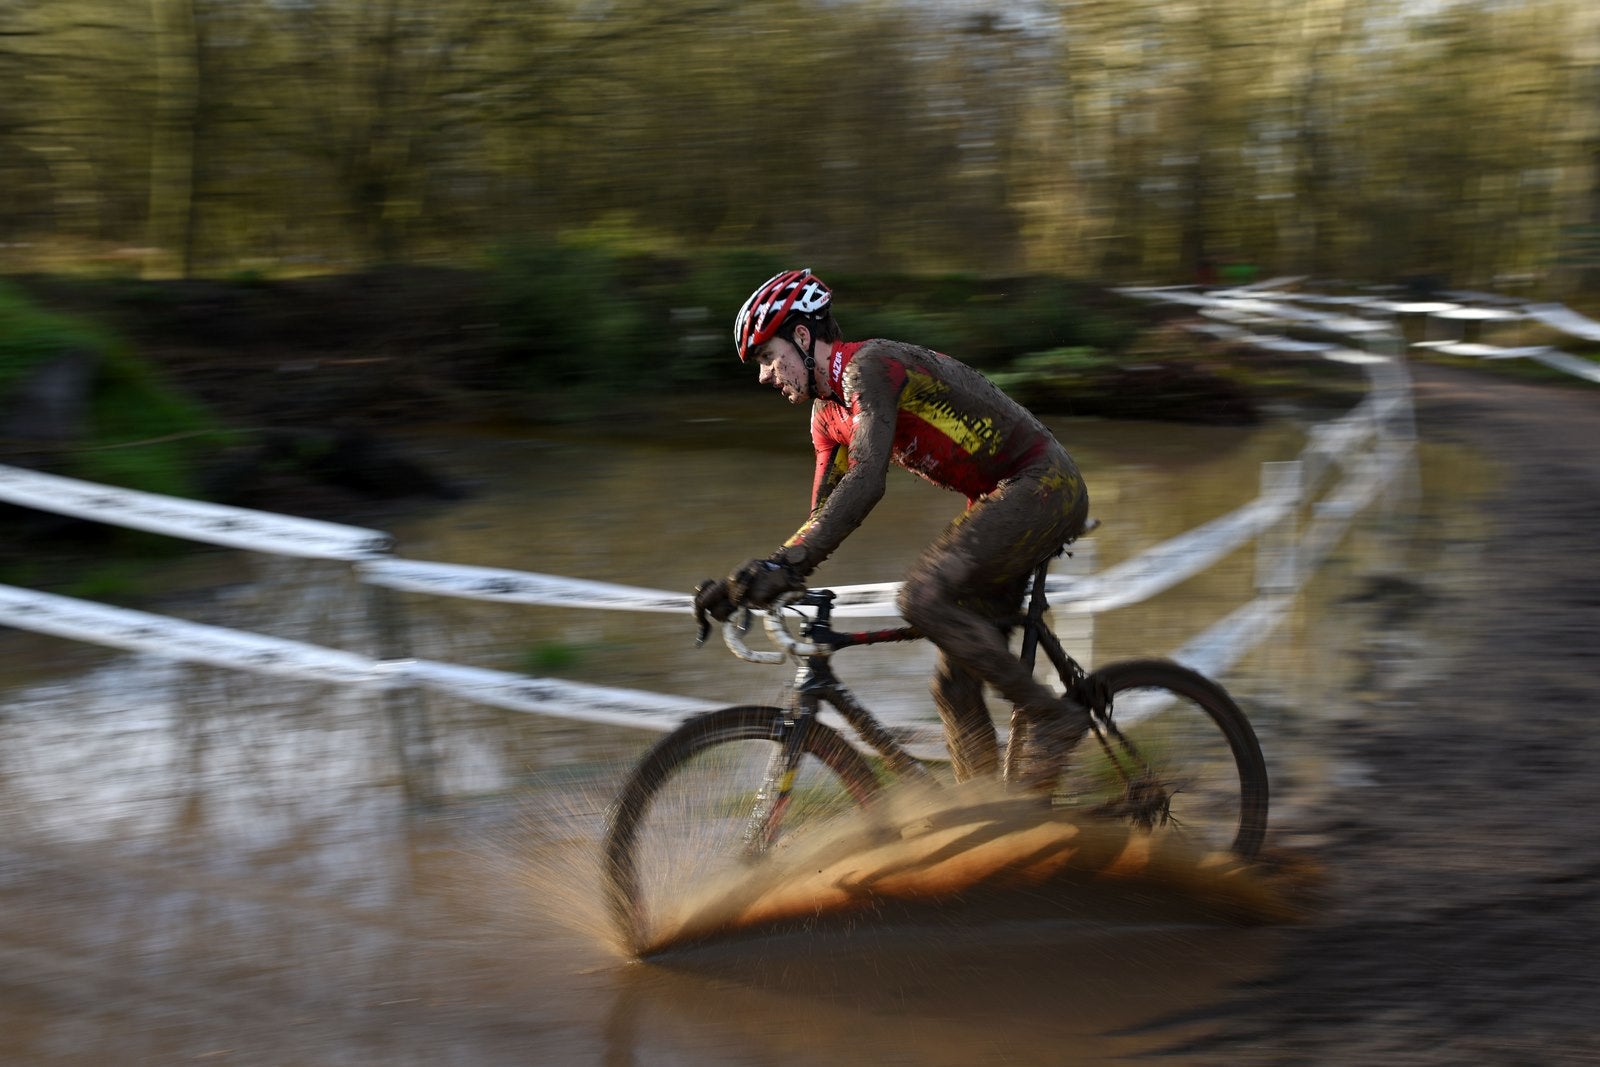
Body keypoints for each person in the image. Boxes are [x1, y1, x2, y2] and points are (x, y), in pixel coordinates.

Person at [693, 269, 1092, 791]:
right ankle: (993, 817)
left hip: (1043, 485)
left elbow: (865, 479)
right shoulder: (825, 416)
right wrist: (748, 582)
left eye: (768, 357)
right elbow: (823, 516)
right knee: (952, 686)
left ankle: (1054, 718)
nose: (765, 375)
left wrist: (787, 565)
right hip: (999, 500)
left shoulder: (868, 367)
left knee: (921, 598)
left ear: (803, 337)